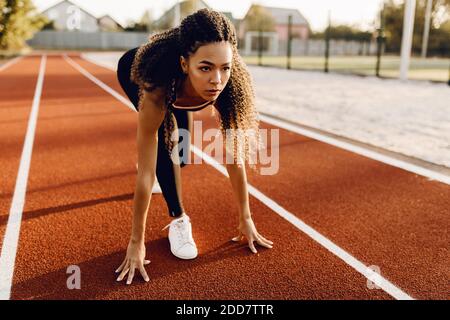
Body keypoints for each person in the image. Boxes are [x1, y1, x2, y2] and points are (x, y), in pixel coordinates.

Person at [115, 9, 273, 285]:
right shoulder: (157, 88)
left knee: (183, 155)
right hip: (138, 71)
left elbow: (233, 157)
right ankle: (178, 219)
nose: (216, 81)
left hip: (182, 88)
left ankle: (174, 140)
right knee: (166, 145)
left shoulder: (229, 86)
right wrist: (136, 242)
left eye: (225, 67)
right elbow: (144, 176)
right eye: (205, 68)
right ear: (184, 64)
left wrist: (245, 218)